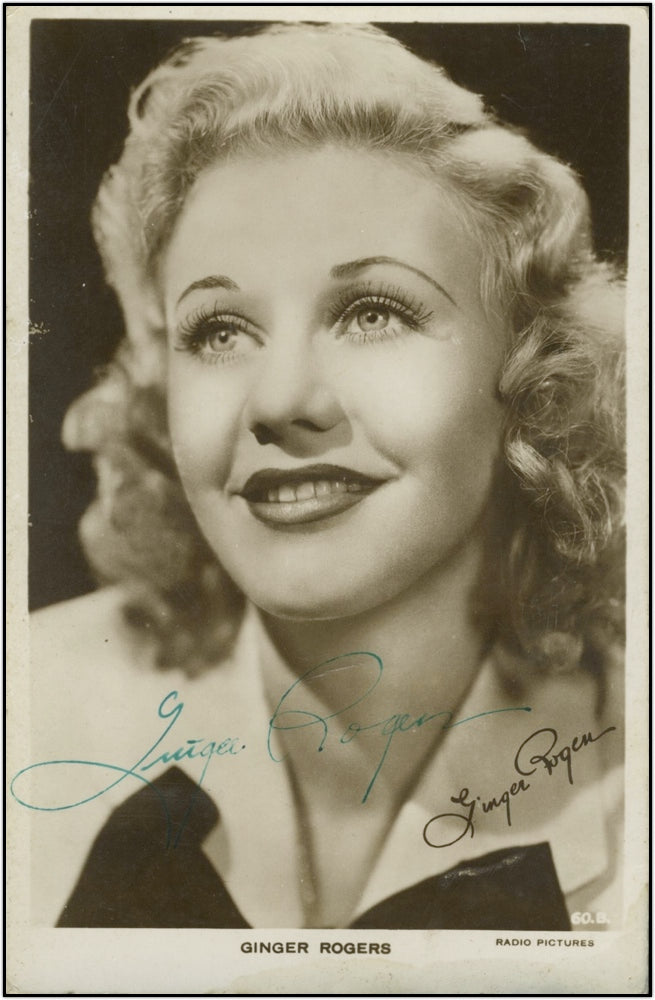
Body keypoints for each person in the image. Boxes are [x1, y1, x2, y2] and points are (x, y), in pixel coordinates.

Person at [20, 22, 625, 930]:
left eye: (372, 312)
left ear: (535, 370)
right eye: (219, 331)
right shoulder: (24, 705)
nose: (279, 399)